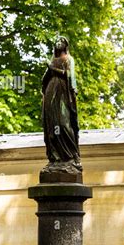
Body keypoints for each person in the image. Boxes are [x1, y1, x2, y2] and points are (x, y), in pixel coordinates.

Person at [41, 36, 82, 173]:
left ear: (65, 45)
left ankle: (70, 156)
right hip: (51, 93)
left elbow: (70, 75)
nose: (58, 43)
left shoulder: (68, 59)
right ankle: (55, 158)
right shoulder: (52, 60)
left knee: (63, 124)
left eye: (61, 42)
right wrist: (49, 70)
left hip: (63, 93)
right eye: (56, 42)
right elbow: (45, 79)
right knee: (52, 126)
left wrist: (53, 69)